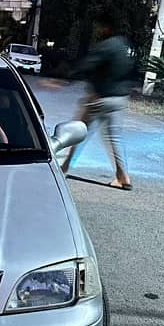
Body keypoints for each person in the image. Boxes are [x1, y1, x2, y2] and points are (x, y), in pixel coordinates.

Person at [60, 11, 134, 191]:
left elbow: (87, 64)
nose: (98, 30)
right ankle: (123, 177)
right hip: (120, 98)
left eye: (100, 27)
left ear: (107, 27)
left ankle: (65, 168)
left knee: (80, 132)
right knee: (115, 137)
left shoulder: (107, 46)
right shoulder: (127, 47)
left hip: (101, 98)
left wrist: (65, 77)